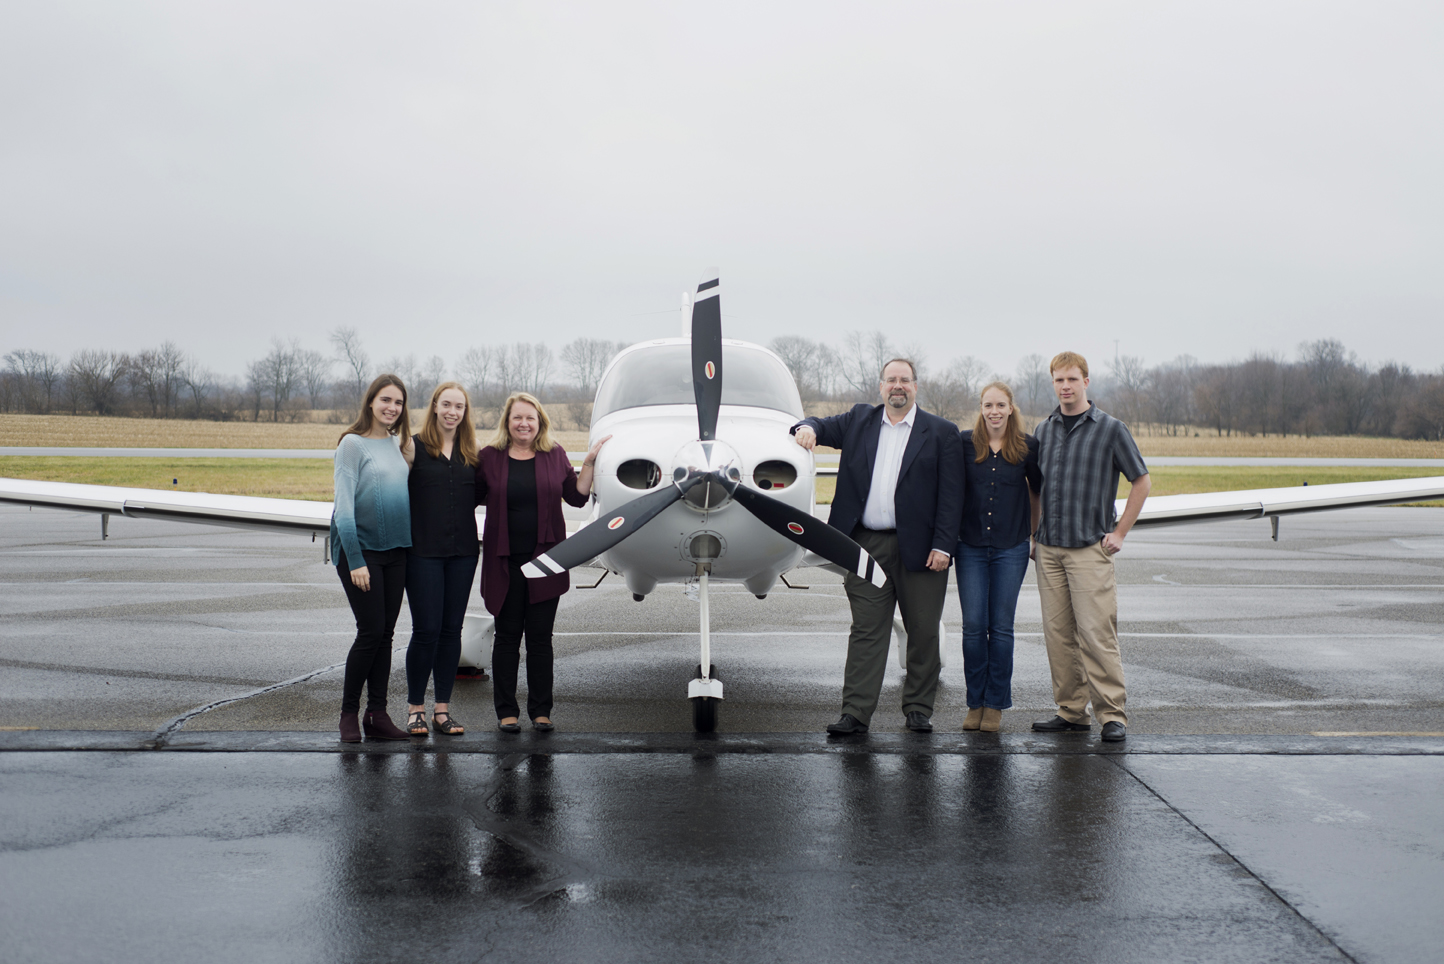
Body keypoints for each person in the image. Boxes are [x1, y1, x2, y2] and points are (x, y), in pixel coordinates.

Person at [792, 358, 963, 735]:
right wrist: (806, 428)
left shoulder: (941, 432)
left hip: (923, 549)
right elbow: (819, 425)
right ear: (881, 386)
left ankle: (918, 709)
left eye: (905, 380)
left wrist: (944, 546)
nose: (897, 386)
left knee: (923, 631)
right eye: (891, 380)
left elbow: (952, 496)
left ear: (915, 386)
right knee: (867, 631)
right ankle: (855, 713)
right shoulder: (859, 420)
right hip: (866, 546)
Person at [1030, 352, 1150, 743]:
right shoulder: (1043, 430)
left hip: (1089, 548)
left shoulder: (1111, 429)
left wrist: (1120, 533)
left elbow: (1141, 481)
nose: (1065, 386)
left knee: (1097, 633)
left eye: (1072, 379)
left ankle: (1112, 714)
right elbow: (1035, 489)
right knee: (1058, 635)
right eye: (1058, 380)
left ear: (1085, 382)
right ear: (1053, 383)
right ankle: (1070, 711)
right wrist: (1033, 534)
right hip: (1049, 550)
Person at [475, 392, 608, 733]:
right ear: (507, 422)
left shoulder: (555, 454)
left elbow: (576, 497)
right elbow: (467, 496)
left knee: (539, 639)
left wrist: (589, 463)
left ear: (540, 423)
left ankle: (541, 711)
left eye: (530, 418)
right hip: (504, 564)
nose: (524, 424)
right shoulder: (489, 457)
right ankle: (507, 712)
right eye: (517, 417)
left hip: (545, 563)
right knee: (507, 638)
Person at [331, 374, 414, 743]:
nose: (391, 407)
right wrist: (355, 559)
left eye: (398, 402)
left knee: (386, 635)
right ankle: (348, 714)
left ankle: (377, 715)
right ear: (370, 402)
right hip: (361, 552)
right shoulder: (351, 444)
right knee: (370, 632)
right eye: (385, 400)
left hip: (396, 552)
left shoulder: (397, 445)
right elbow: (343, 510)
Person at [956, 381, 1042, 733]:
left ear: (1010, 408)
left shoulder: (1027, 447)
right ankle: (974, 702)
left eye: (1000, 405)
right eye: (988, 405)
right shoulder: (964, 444)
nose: (994, 411)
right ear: (981, 408)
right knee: (974, 626)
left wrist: (1033, 535)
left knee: (1001, 628)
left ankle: (994, 705)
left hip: (1011, 547)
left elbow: (1036, 492)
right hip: (970, 546)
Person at [404, 381, 481, 737]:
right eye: (446, 404)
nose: (452, 412)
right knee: (426, 630)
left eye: (459, 407)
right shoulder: (412, 448)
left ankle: (442, 710)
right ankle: (415, 708)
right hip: (423, 554)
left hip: (463, 554)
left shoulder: (471, 453)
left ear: (465, 412)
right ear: (435, 406)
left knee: (452, 631)